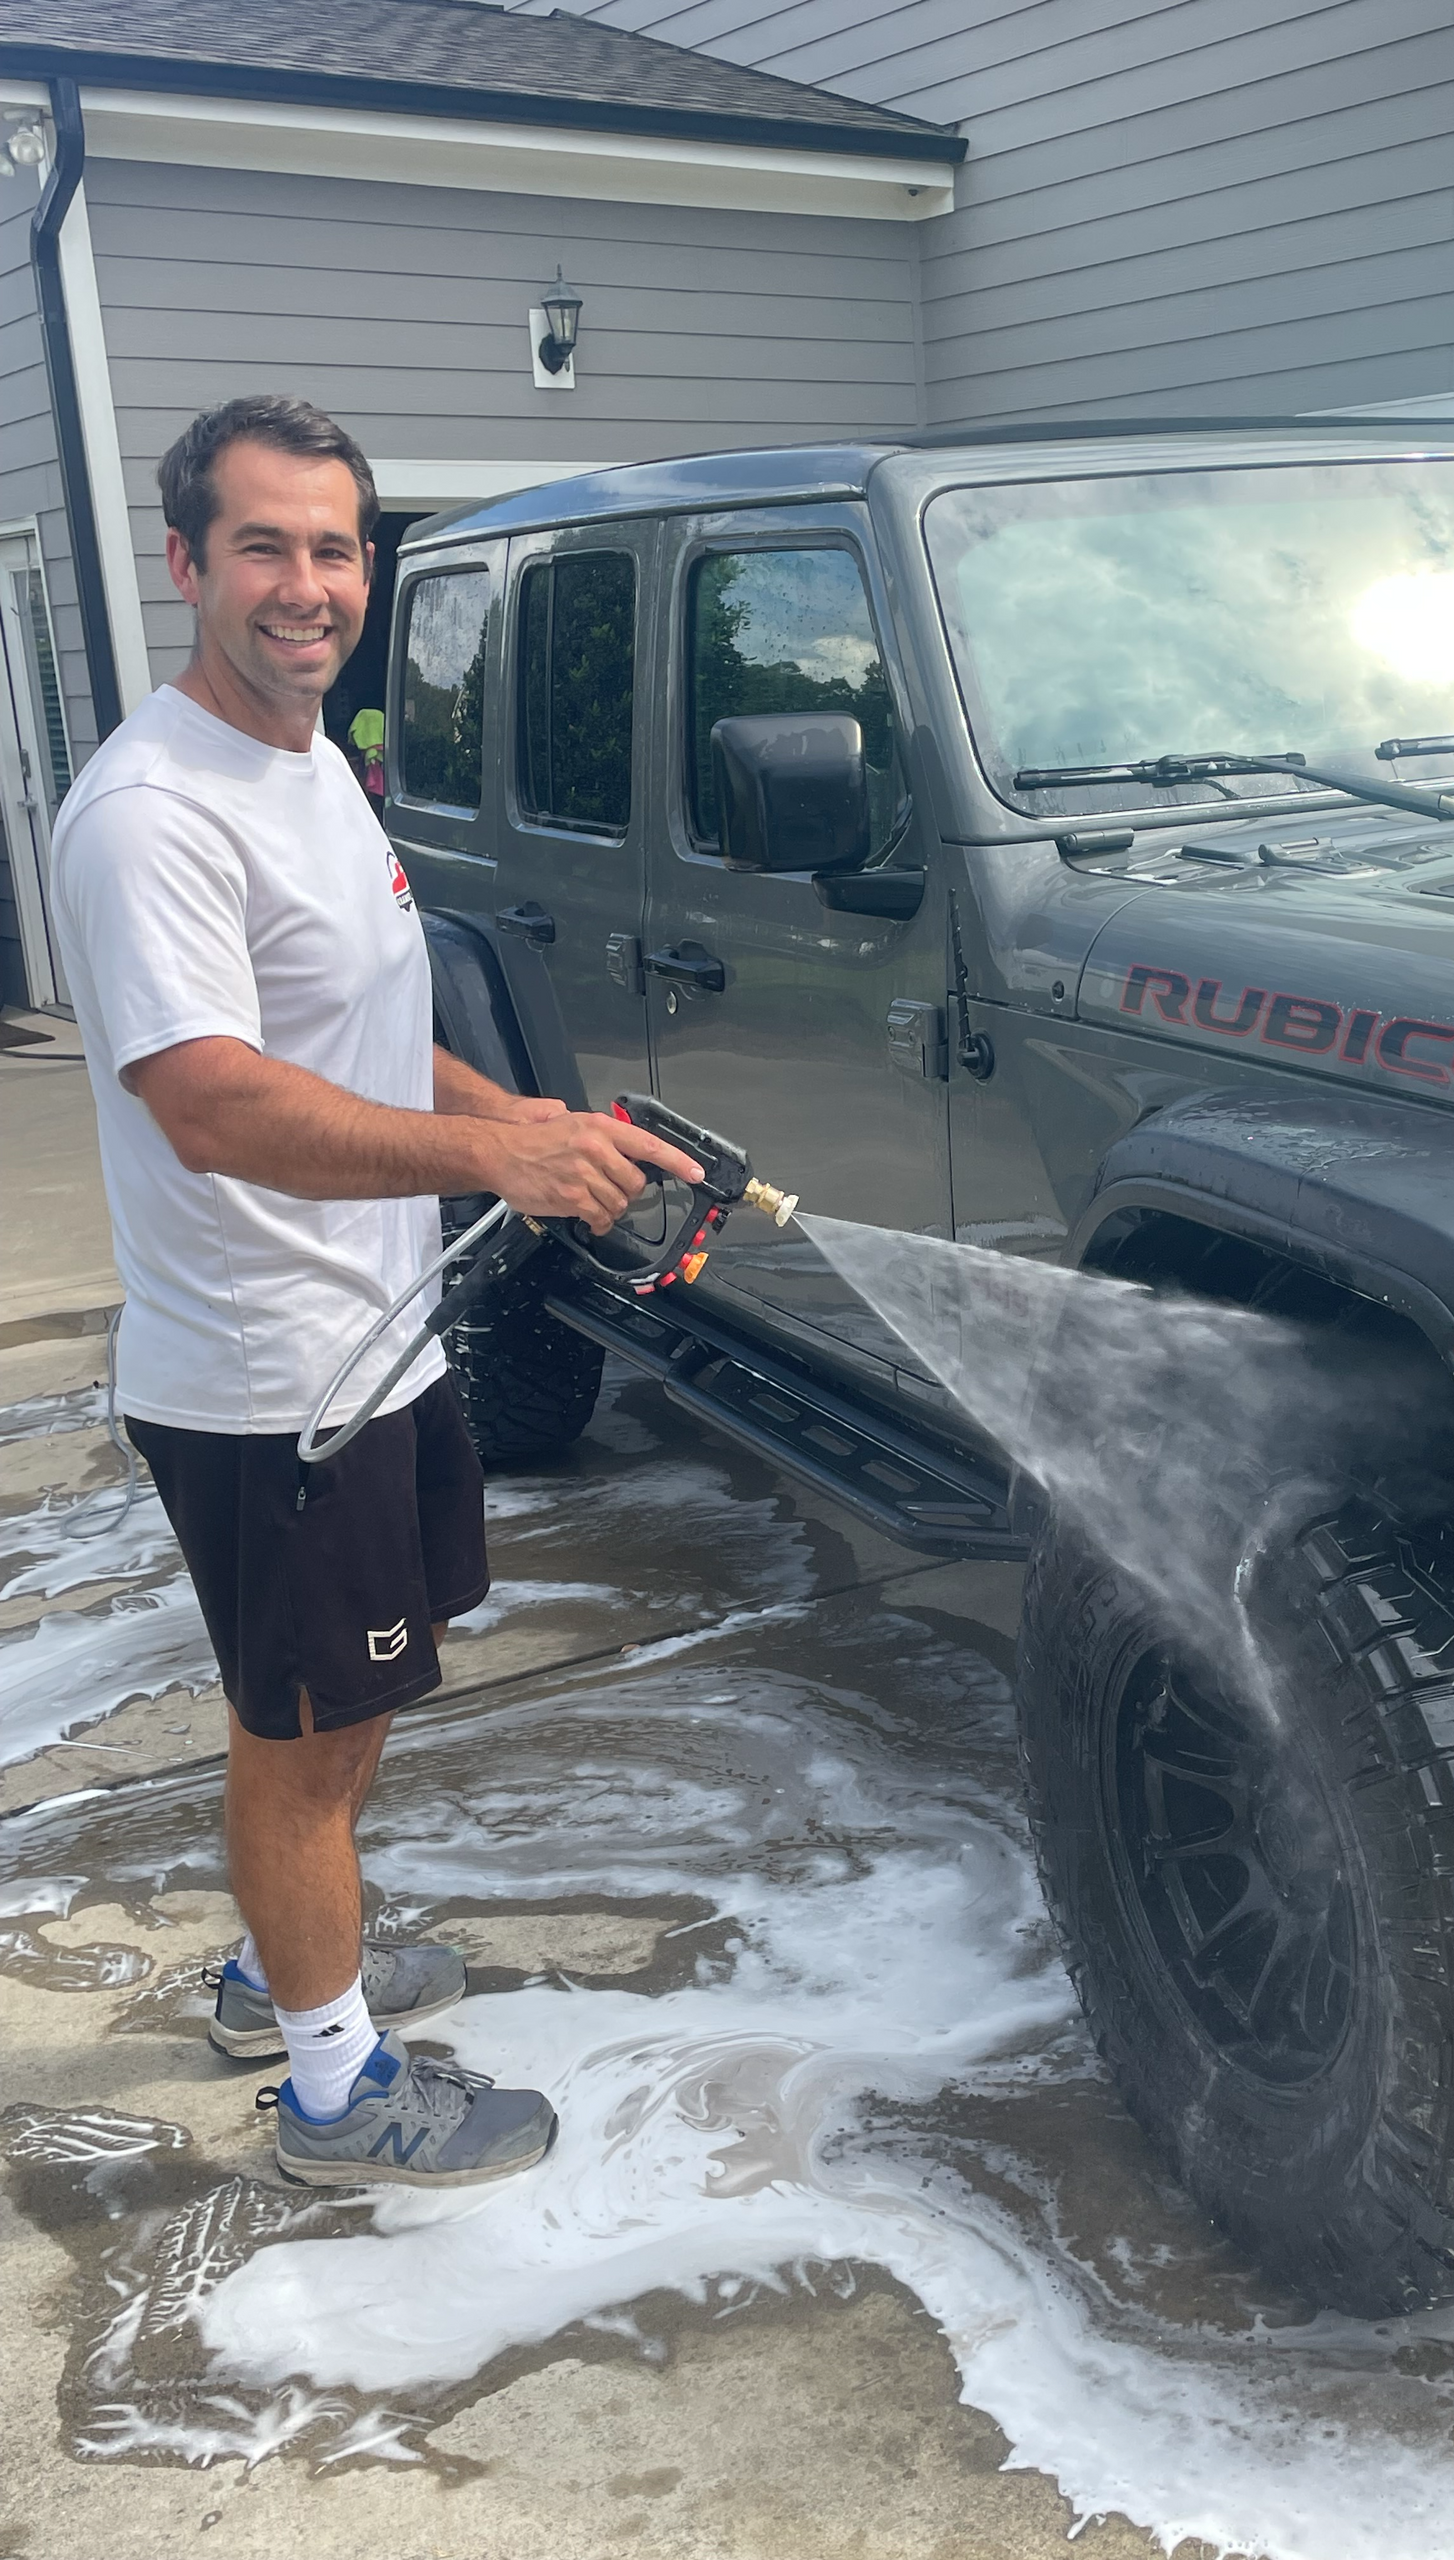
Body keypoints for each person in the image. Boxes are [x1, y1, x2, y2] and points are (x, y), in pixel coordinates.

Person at [50, 394, 698, 2190]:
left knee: (358, 1707)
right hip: (274, 1381)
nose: (305, 584)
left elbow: (354, 1034)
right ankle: (332, 2091)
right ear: (187, 563)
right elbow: (213, 1098)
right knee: (302, 1731)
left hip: (374, 1342)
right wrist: (498, 1168)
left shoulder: (319, 764)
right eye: (262, 543)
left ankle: (288, 1965)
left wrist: (524, 1120)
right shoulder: (152, 813)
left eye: (333, 547)